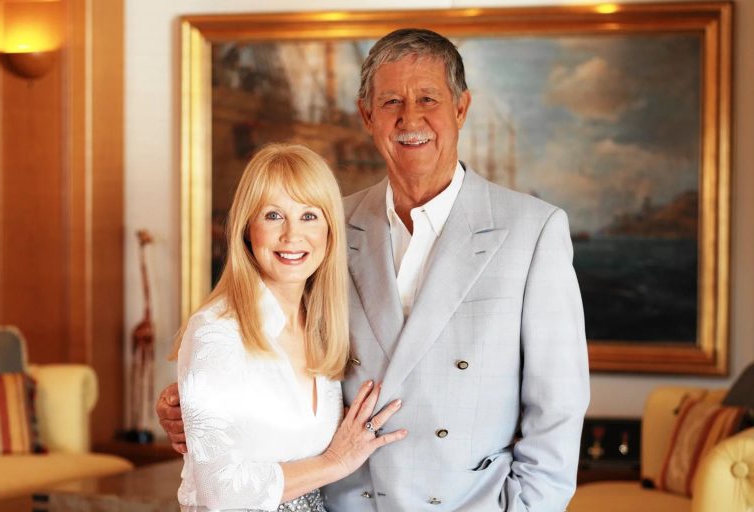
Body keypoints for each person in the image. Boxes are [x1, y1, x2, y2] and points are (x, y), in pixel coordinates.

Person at [159, 29, 590, 511]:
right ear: (367, 116)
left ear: (461, 108)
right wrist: (190, 406)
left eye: (428, 98)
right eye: (390, 102)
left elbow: (557, 409)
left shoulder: (533, 231)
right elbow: (260, 340)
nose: (410, 118)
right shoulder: (325, 227)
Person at [172, 143, 407, 511]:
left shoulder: (321, 326)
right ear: (247, 229)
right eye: (273, 215)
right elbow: (219, 491)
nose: (292, 235)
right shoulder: (215, 331)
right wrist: (334, 463)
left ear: (330, 230)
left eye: (309, 216)